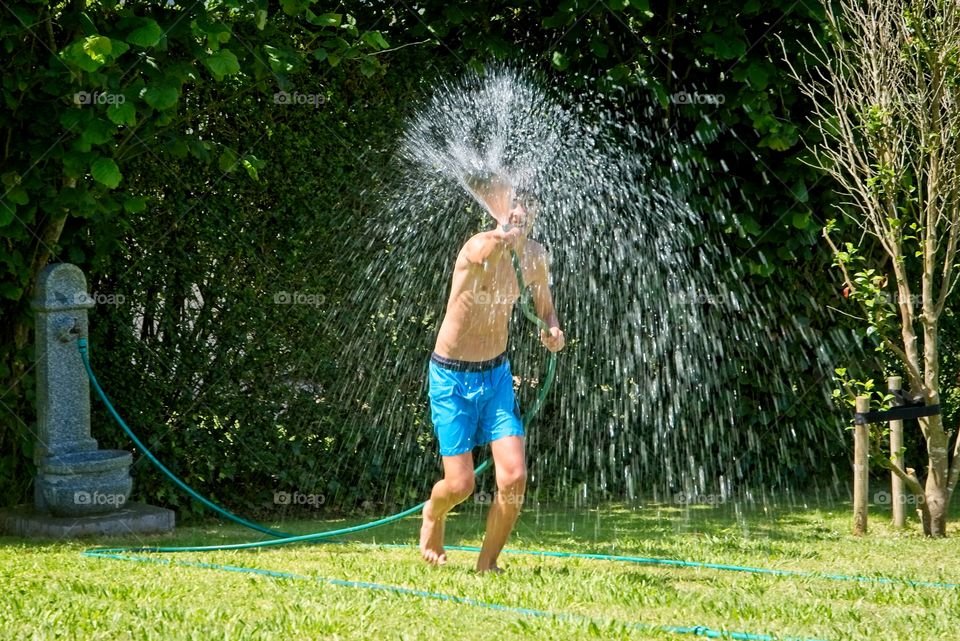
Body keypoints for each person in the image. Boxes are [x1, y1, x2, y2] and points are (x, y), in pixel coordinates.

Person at [419, 174, 565, 573]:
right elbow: (485, 253)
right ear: (499, 210)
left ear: (535, 213)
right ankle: (433, 512)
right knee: (460, 485)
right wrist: (503, 237)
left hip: (496, 375)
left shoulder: (535, 257)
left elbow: (546, 308)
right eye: (512, 205)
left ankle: (487, 564)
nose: (519, 212)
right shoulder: (477, 246)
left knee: (515, 478)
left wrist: (553, 330)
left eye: (526, 206)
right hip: (451, 376)